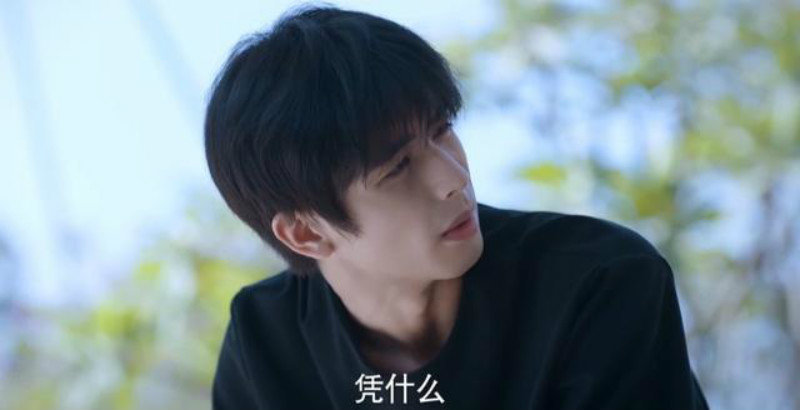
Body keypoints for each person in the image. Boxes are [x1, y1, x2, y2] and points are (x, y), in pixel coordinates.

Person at [204, 4, 710, 409]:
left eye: (443, 129)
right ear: (307, 233)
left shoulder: (597, 283)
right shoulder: (265, 350)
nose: (454, 179)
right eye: (398, 167)